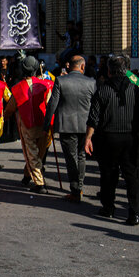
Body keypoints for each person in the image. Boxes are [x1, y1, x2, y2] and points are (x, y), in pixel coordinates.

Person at [85, 56, 139, 225]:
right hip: (131, 137)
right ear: (126, 71)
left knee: (108, 174)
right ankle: (134, 213)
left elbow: (93, 118)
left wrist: (88, 138)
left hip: (108, 138)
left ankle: (108, 207)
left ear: (109, 71)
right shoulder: (138, 88)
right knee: (132, 176)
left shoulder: (103, 89)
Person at [43, 55, 96, 202]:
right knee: (81, 156)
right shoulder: (91, 82)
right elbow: (95, 106)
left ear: (69, 66)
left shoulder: (61, 81)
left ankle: (76, 189)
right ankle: (79, 186)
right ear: (82, 66)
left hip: (67, 125)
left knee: (71, 157)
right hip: (85, 126)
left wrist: (47, 124)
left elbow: (52, 104)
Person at [4, 56, 54, 193]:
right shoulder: (46, 84)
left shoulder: (18, 87)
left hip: (27, 124)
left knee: (31, 153)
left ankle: (39, 183)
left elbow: (10, 108)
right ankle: (27, 177)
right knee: (39, 153)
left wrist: (5, 116)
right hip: (44, 124)